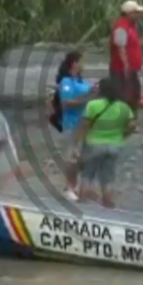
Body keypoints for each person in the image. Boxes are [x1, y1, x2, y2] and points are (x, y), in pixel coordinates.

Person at [73, 77, 136, 208]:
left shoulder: (93, 105)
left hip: (94, 144)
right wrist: (123, 135)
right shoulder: (124, 107)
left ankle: (82, 203)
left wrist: (76, 144)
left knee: (87, 174)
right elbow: (132, 125)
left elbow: (84, 126)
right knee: (108, 177)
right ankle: (107, 204)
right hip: (115, 145)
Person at [57, 51, 94, 200]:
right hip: (72, 125)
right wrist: (86, 99)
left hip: (85, 125)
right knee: (71, 156)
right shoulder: (66, 82)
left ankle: (78, 185)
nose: (83, 65)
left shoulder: (81, 81)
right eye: (81, 61)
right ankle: (69, 187)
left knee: (84, 157)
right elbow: (66, 103)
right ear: (74, 63)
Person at [110, 0, 143, 113]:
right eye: (136, 12)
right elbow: (121, 49)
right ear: (129, 13)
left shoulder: (131, 27)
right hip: (122, 70)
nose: (138, 15)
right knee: (125, 97)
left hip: (132, 70)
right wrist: (126, 67)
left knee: (134, 96)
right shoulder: (121, 27)